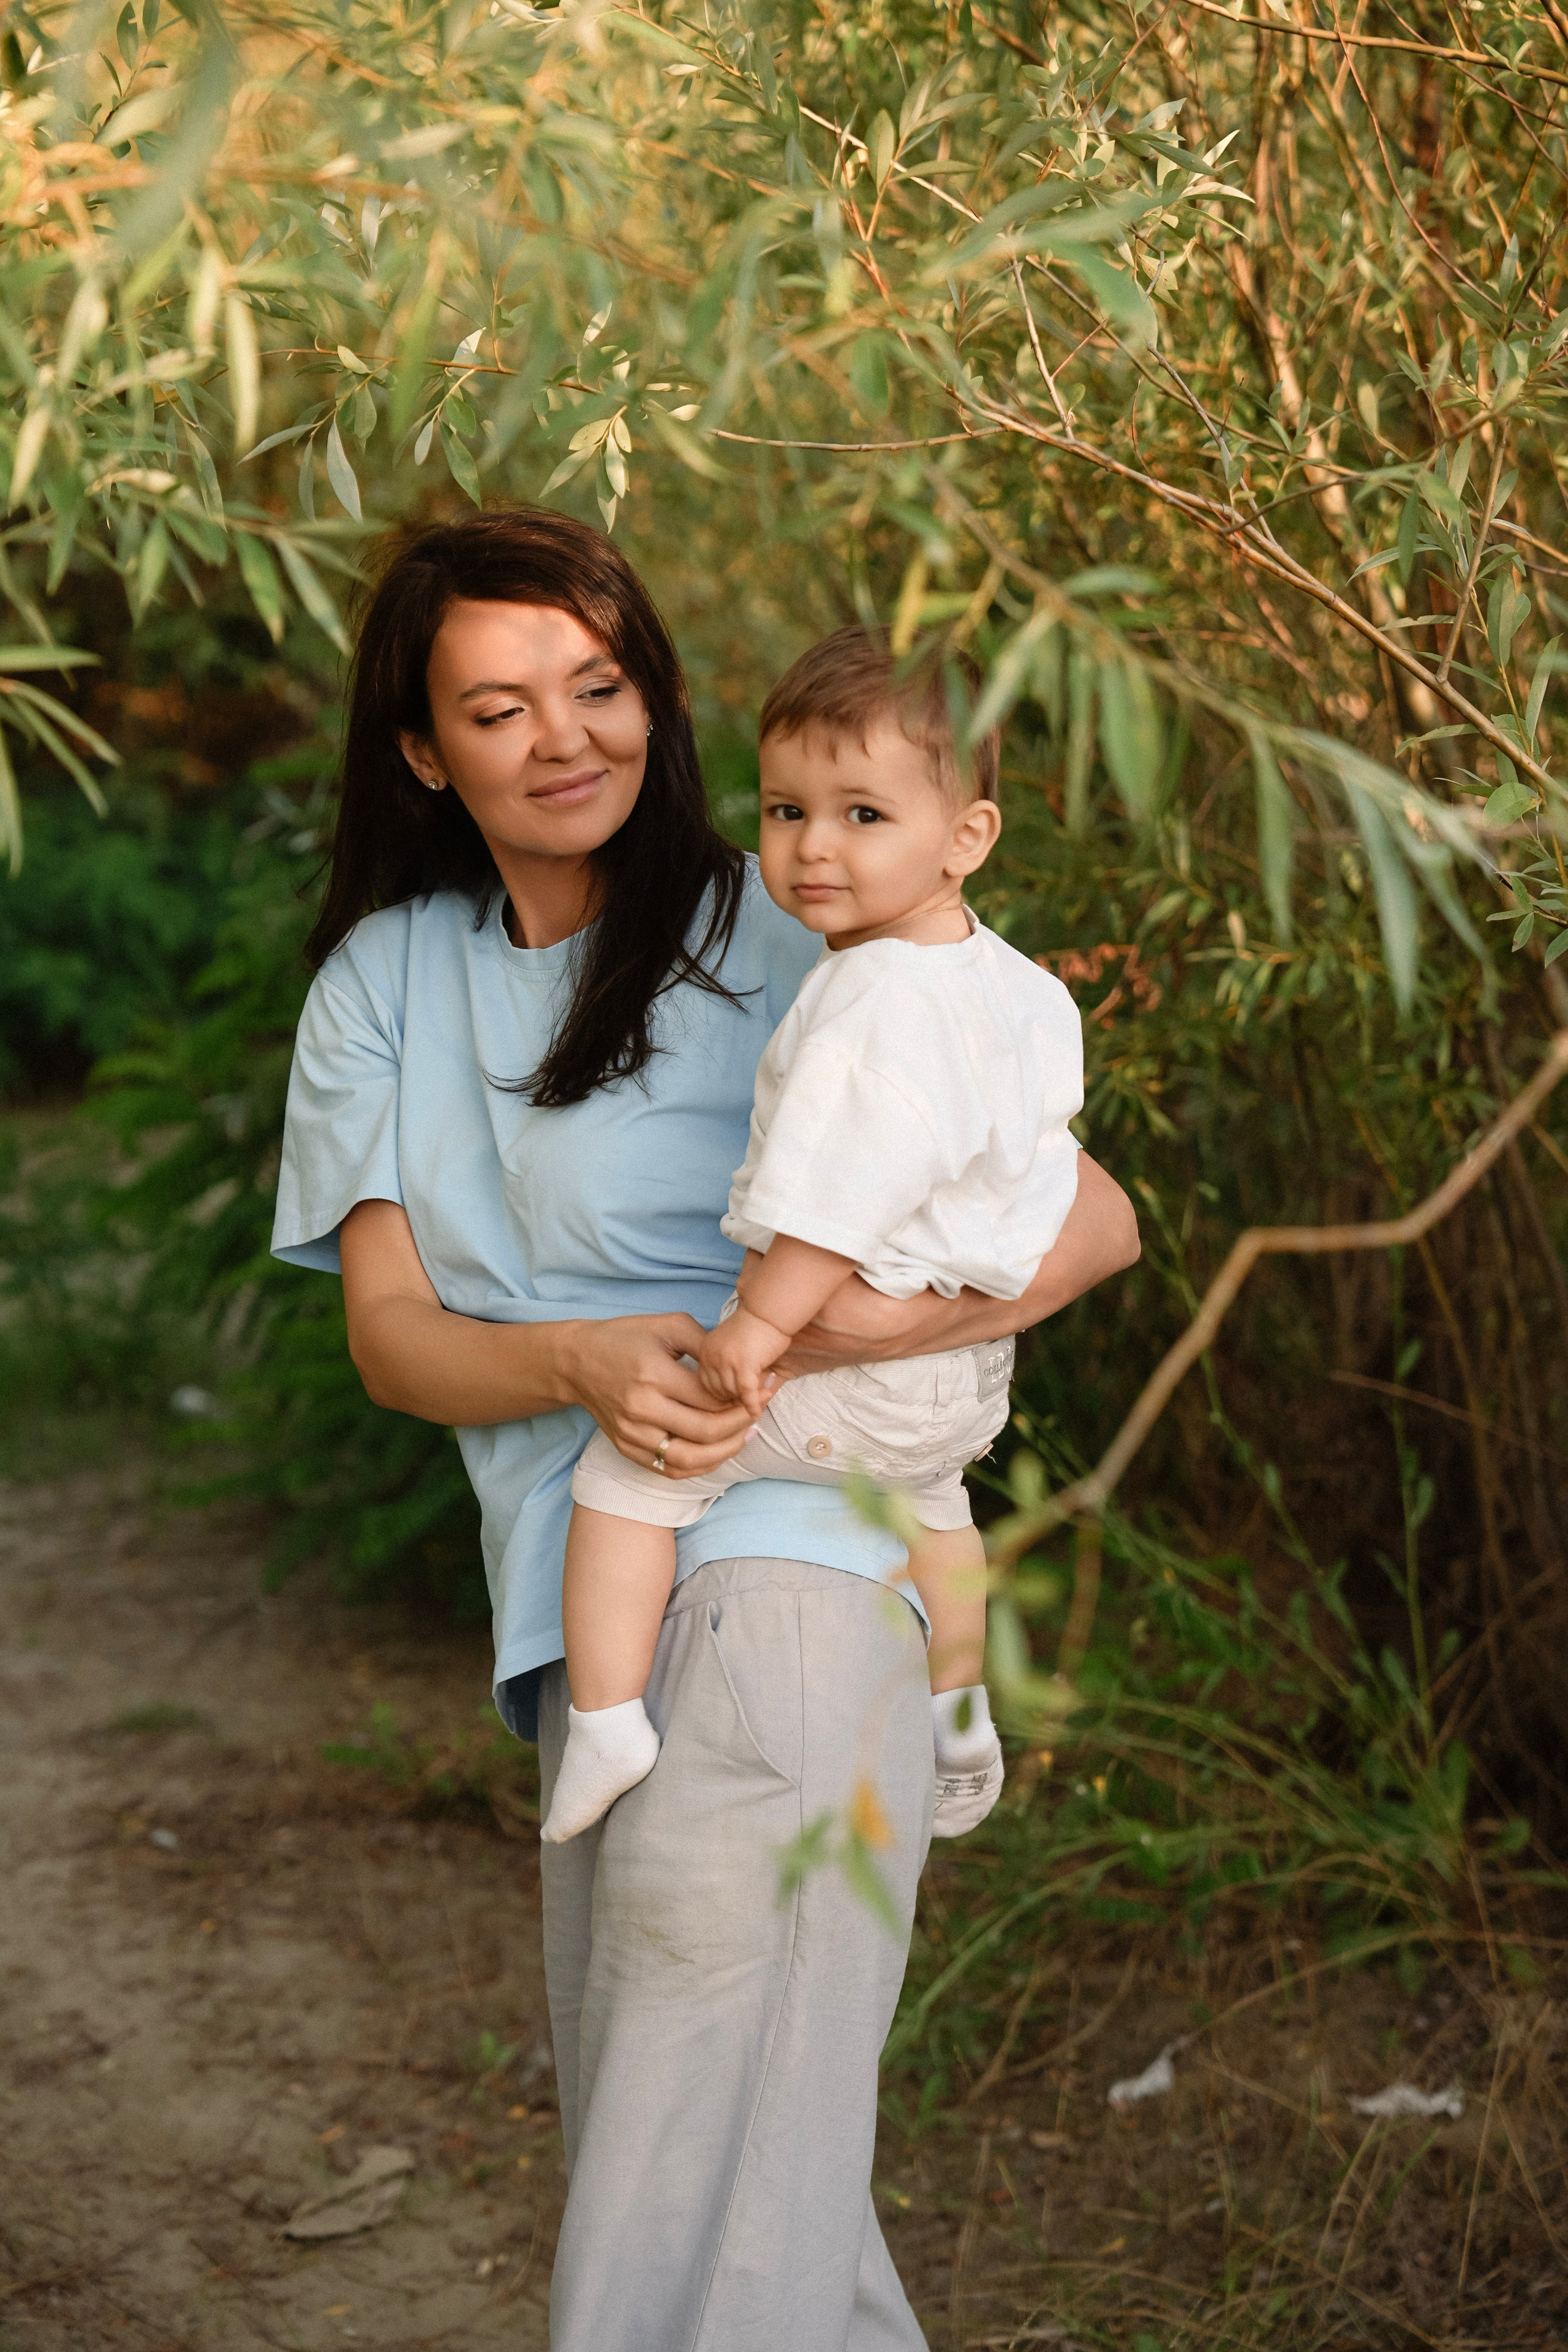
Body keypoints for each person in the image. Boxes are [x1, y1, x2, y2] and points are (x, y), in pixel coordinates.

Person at [271, 506, 1139, 2352]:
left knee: (704, 2188)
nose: (561, 735)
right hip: (591, 1610)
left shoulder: (803, 915)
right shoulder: (385, 983)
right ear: (424, 751)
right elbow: (397, 1341)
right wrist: (586, 1362)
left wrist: (805, 1346)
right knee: (724, 2179)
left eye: (599, 686)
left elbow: (1089, 1222)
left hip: (794, 1594)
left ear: (655, 701)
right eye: (496, 708)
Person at [548, 627, 1085, 1850]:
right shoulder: (1018, 990)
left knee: (634, 1469)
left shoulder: (868, 998)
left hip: (852, 1366)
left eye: (860, 814)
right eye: (786, 810)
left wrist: (756, 1330)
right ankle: (956, 1711)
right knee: (932, 1500)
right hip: (959, 1377)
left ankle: (605, 1717)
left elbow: (833, 1194)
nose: (811, 847)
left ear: (966, 838)